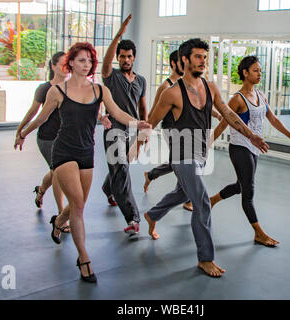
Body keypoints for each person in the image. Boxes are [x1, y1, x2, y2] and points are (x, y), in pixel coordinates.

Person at [14, 42, 151, 283]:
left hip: (87, 151)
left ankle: (58, 222)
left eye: (89, 61)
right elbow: (42, 117)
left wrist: (137, 123)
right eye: (81, 60)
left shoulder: (99, 91)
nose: (86, 64)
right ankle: (84, 259)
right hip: (64, 151)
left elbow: (118, 113)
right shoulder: (57, 92)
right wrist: (23, 132)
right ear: (71, 63)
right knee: (77, 205)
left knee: (78, 205)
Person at [134, 38, 269, 277]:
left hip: (200, 153)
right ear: (184, 60)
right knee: (202, 202)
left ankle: (152, 214)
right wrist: (138, 144)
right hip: (182, 155)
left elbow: (228, 114)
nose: (202, 61)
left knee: (184, 192)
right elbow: (152, 122)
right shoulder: (171, 93)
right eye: (197, 57)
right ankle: (205, 258)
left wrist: (251, 136)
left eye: (205, 57)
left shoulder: (211, 87)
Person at [209, 55, 290, 247]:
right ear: (245, 73)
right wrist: (208, 145)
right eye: (255, 70)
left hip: (254, 148)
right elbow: (222, 124)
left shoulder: (261, 95)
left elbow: (273, 119)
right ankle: (259, 233)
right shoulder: (237, 99)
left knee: (240, 185)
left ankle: (212, 200)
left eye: (260, 71)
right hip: (239, 148)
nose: (259, 74)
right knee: (249, 191)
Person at [143, 50, 222, 212]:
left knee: (180, 163)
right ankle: (188, 196)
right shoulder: (166, 86)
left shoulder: (189, 85)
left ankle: (153, 176)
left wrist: (217, 114)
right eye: (181, 62)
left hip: (188, 129)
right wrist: (146, 132)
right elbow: (153, 113)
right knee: (185, 162)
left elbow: (201, 105)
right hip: (171, 130)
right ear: (174, 64)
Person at [101, 14, 148, 235]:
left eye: (129, 56)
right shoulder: (111, 77)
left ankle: (107, 188)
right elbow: (106, 62)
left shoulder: (141, 81)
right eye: (122, 56)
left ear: (134, 57)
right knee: (121, 169)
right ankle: (133, 217)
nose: (125, 60)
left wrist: (143, 132)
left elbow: (142, 108)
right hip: (114, 130)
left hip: (132, 129)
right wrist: (118, 34)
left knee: (120, 168)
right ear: (118, 58)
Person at [16, 51, 69, 232]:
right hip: (47, 138)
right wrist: (20, 131)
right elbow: (34, 113)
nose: (66, 66)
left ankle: (41, 190)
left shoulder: (72, 87)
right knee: (58, 175)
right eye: (62, 63)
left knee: (55, 173)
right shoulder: (44, 89)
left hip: (65, 139)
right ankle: (62, 218)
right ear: (53, 67)